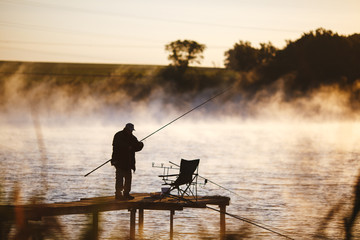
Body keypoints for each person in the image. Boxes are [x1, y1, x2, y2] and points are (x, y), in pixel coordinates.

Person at [111, 123, 144, 200]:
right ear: (126, 129)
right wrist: (128, 147)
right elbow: (117, 145)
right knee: (119, 178)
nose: (131, 132)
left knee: (128, 179)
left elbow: (136, 148)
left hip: (128, 162)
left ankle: (126, 194)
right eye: (130, 130)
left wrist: (141, 145)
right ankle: (118, 195)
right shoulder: (118, 135)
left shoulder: (132, 138)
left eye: (132, 131)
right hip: (119, 161)